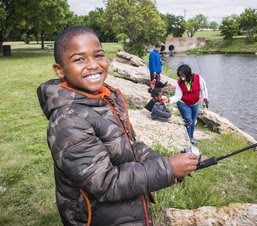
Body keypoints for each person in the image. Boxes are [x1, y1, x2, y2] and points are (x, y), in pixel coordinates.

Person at [36, 26, 198, 226]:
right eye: (79, 59)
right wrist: (166, 168)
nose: (93, 65)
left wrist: (162, 165)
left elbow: (130, 147)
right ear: (59, 70)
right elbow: (104, 183)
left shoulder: (106, 98)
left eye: (98, 55)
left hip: (130, 210)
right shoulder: (68, 122)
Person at [164, 64, 209, 145]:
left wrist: (205, 98)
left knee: (193, 121)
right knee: (189, 121)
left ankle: (191, 138)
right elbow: (177, 96)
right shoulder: (179, 83)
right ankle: (187, 141)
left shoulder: (198, 78)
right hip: (183, 103)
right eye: (179, 75)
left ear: (188, 73)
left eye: (182, 75)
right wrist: (168, 100)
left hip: (195, 103)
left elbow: (203, 90)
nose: (181, 77)